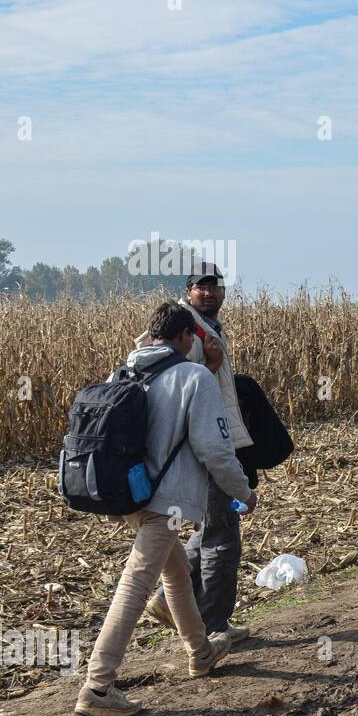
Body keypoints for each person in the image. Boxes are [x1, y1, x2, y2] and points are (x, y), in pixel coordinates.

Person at [75, 302, 256, 716]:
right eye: (194, 337)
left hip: (128, 496)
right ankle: (98, 686)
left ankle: (200, 651)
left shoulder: (122, 373)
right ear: (186, 337)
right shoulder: (194, 377)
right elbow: (216, 450)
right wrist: (243, 493)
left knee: (175, 569)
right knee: (137, 581)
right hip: (167, 501)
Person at [145, 263, 255, 644]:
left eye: (215, 287)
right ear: (188, 291)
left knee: (211, 529)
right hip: (202, 448)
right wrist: (209, 365)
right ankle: (214, 625)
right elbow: (182, 388)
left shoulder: (202, 328)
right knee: (222, 540)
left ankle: (165, 600)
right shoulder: (187, 331)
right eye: (200, 287)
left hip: (203, 445)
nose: (209, 293)